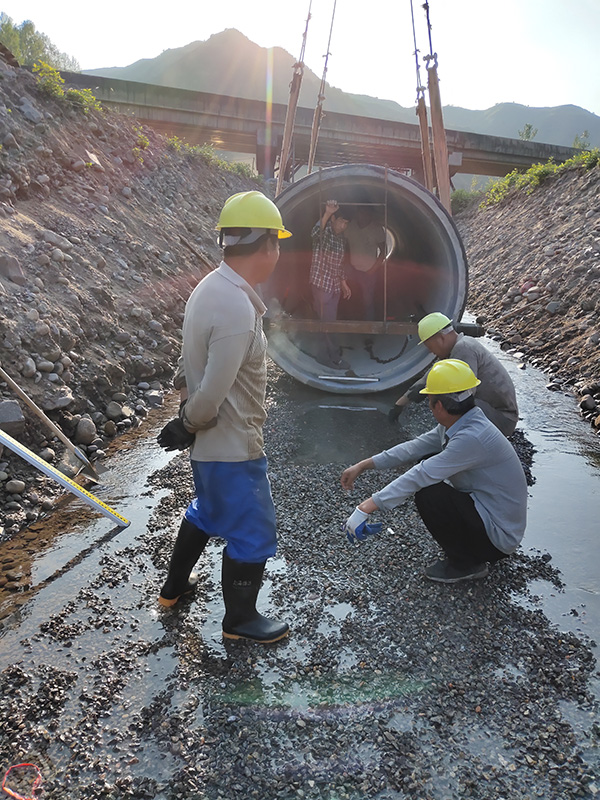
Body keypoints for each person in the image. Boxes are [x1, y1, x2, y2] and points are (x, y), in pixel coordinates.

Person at [156, 190, 291, 644]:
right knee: (253, 527)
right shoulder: (236, 307)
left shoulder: (210, 288)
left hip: (211, 448)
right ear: (269, 245)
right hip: (232, 445)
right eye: (278, 243)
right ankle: (240, 620)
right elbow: (212, 395)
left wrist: (187, 422)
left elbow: (189, 362)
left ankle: (174, 588)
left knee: (207, 511)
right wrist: (188, 422)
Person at [342, 359, 527, 583]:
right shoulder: (461, 423)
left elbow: (421, 474)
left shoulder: (472, 437)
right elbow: (413, 448)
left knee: (430, 491)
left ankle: (466, 565)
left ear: (438, 406)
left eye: (429, 401)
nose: (429, 407)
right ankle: (467, 550)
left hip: (499, 537)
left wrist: (364, 508)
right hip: (491, 514)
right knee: (428, 461)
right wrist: (364, 465)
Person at [389, 312, 519, 436]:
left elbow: (463, 396)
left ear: (440, 337)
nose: (431, 352)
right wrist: (399, 404)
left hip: (502, 419)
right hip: (490, 410)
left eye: (430, 347)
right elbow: (429, 377)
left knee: (447, 402)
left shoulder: (463, 348)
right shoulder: (459, 347)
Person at [309, 199, 352, 369]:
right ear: (334, 220)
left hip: (333, 285)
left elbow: (340, 264)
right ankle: (328, 357)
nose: (344, 226)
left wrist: (344, 283)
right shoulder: (325, 233)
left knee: (329, 321)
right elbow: (314, 232)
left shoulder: (340, 239)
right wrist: (327, 213)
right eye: (342, 221)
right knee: (325, 322)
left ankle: (329, 353)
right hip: (321, 284)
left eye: (347, 223)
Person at [344, 205, 386, 321]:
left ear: (370, 215)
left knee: (368, 300)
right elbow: (344, 244)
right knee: (346, 294)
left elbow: (383, 250)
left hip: (369, 271)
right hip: (352, 269)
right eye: (360, 213)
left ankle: (369, 326)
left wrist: (374, 269)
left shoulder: (376, 229)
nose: (362, 216)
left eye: (365, 213)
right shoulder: (351, 226)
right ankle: (347, 319)